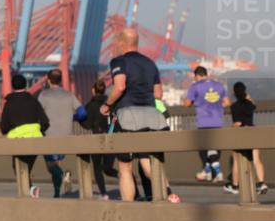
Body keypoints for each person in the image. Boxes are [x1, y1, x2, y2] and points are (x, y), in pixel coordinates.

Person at [99, 29, 178, 203]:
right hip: (152, 116)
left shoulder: (119, 61)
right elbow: (158, 94)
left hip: (128, 116)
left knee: (125, 167)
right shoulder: (151, 63)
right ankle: (169, 195)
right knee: (150, 163)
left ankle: (129, 208)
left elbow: (119, 87)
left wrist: (107, 105)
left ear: (120, 42)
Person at [0, 73, 50, 198]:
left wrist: (8, 130)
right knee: (27, 167)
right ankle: (30, 190)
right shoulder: (34, 101)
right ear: (26, 85)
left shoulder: (9, 104)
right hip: (35, 139)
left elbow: (4, 127)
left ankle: (30, 190)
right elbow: (45, 122)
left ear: (12, 86)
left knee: (18, 168)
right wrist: (39, 131)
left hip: (18, 140)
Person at [37, 69, 82, 198]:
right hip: (66, 135)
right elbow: (82, 112)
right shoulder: (69, 95)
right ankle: (57, 193)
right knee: (57, 164)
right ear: (61, 80)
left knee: (51, 167)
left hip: (49, 135)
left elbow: (38, 113)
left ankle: (63, 176)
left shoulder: (43, 95)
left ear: (48, 80)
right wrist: (73, 118)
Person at [186, 66, 230, 183]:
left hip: (204, 121)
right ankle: (209, 173)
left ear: (197, 76)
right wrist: (216, 105)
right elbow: (227, 103)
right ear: (206, 74)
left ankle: (217, 172)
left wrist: (197, 102)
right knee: (212, 147)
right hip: (218, 120)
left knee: (206, 148)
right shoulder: (219, 85)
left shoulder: (195, 86)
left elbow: (187, 103)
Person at [228, 81, 267, 195]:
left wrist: (231, 127)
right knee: (256, 159)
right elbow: (253, 103)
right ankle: (261, 183)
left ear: (234, 93)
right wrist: (247, 96)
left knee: (236, 160)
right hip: (253, 132)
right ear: (245, 91)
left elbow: (238, 123)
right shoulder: (250, 105)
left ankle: (235, 186)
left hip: (241, 134)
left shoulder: (234, 106)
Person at [80, 79, 112, 199]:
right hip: (111, 137)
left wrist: (79, 119)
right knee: (108, 168)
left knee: (97, 168)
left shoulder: (89, 106)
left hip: (96, 138)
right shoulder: (110, 103)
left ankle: (104, 194)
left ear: (93, 90)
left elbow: (86, 125)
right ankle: (122, 176)